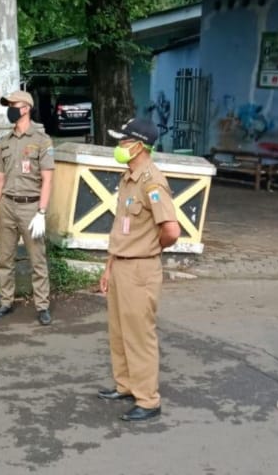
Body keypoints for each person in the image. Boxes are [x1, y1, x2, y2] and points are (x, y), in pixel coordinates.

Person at [95, 117, 179, 423]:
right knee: (119, 332)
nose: (118, 147)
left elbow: (171, 229)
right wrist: (109, 267)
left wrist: (150, 248)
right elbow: (121, 230)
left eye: (123, 142)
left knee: (140, 336)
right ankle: (126, 385)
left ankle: (148, 399)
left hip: (141, 270)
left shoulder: (152, 182)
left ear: (139, 146)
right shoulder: (128, 178)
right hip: (121, 266)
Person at [0, 90, 54, 325]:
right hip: (8, 205)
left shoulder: (41, 140)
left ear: (26, 108)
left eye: (13, 105)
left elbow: (48, 179)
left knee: (37, 259)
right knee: (5, 258)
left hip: (30, 207)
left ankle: (42, 306)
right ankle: (5, 302)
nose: (10, 109)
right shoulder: (5, 142)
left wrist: (42, 212)